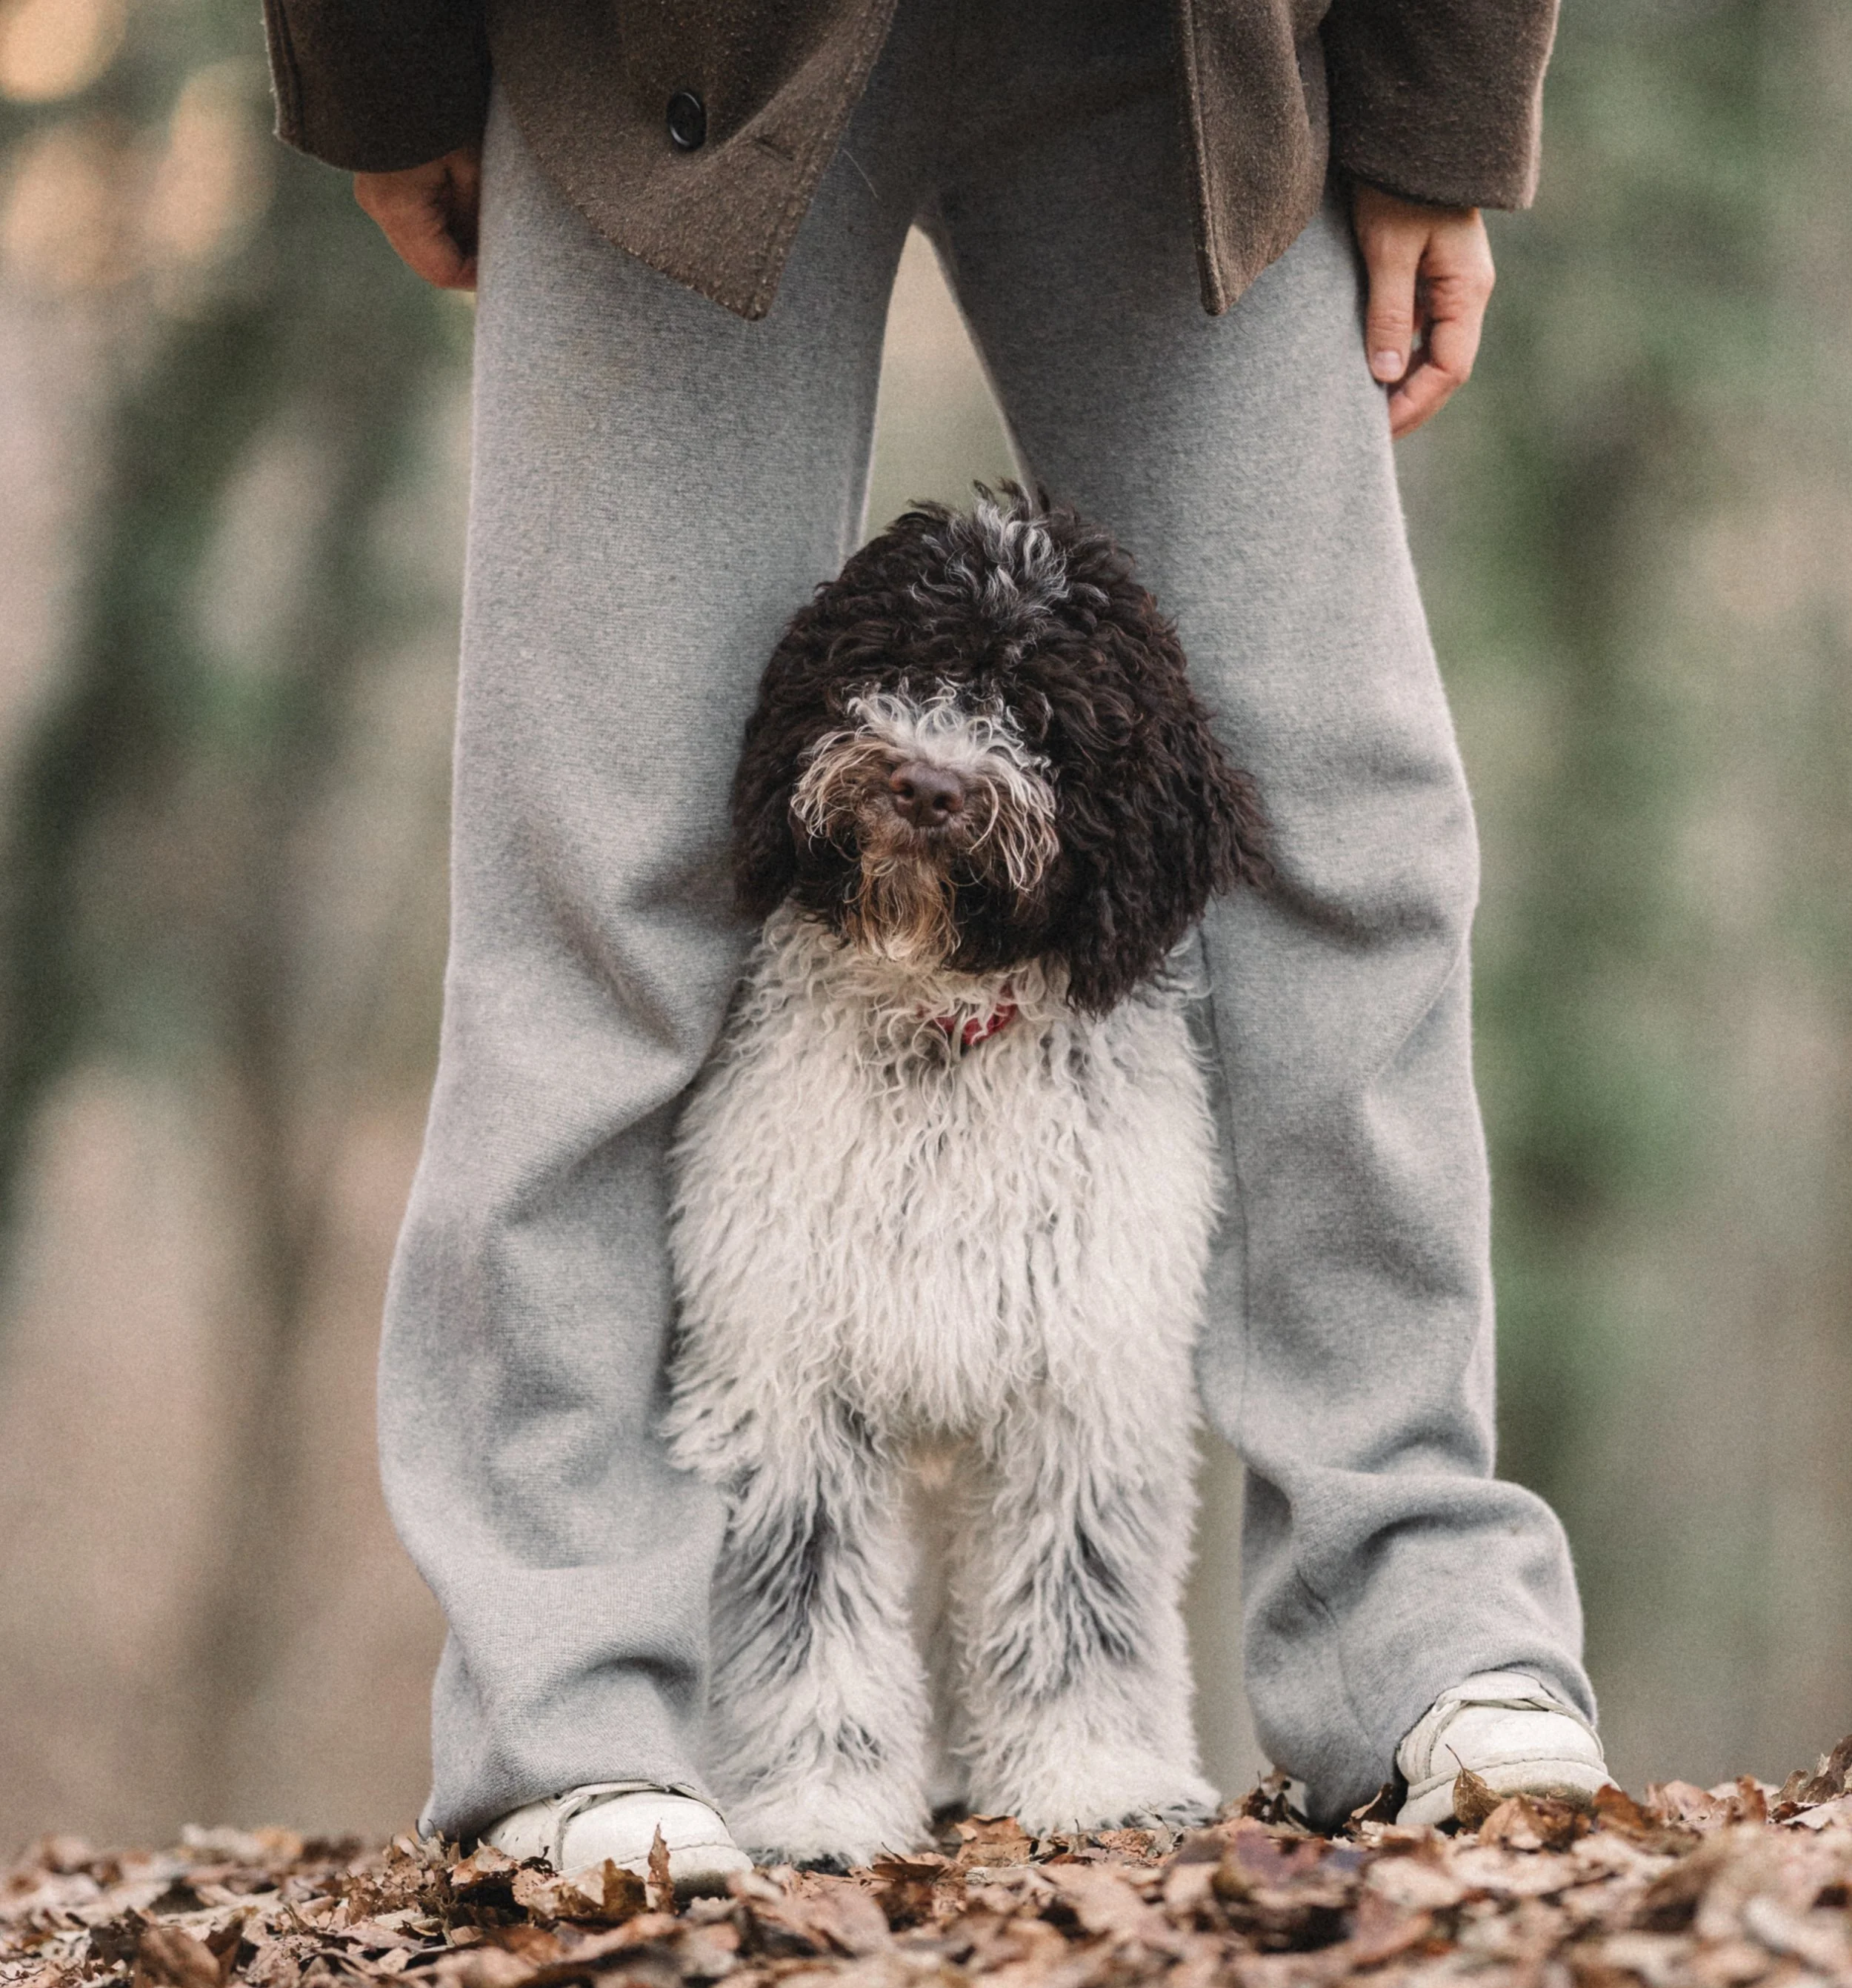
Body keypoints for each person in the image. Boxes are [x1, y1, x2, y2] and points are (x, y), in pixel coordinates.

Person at [262, 0, 1610, 1877]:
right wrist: (381, 61)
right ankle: (568, 1721)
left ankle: (1422, 1641)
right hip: (648, 44)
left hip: (1182, 57)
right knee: (600, 862)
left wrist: (1438, 98)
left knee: (1335, 823)